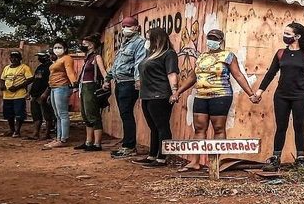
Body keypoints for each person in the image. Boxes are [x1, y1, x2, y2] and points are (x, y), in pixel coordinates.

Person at [252, 23, 304, 172]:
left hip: (301, 96)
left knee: (299, 126)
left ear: (297, 37)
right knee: (281, 127)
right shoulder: (280, 53)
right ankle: (275, 158)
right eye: (285, 33)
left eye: (288, 34)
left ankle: (300, 159)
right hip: (281, 95)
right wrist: (259, 92)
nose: (285, 36)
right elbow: (271, 74)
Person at [172, 29, 256, 172]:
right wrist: (178, 92)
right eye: (210, 38)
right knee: (199, 128)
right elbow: (193, 77)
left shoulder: (228, 56)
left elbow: (238, 75)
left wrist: (250, 93)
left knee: (218, 129)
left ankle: (214, 163)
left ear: (221, 41)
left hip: (221, 96)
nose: (212, 41)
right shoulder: (202, 57)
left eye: (215, 38)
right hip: (201, 96)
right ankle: (195, 161)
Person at [133, 28, 180, 168]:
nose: (147, 41)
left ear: (157, 39)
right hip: (147, 95)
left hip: (160, 95)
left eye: (149, 38)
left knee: (162, 126)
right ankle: (152, 155)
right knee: (152, 126)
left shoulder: (169, 54)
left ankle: (162, 157)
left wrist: (174, 92)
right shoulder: (150, 55)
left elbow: (172, 74)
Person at [103, 16, 146, 158]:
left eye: (129, 26)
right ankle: (127, 144)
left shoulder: (140, 42)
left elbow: (139, 62)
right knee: (124, 114)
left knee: (127, 114)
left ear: (136, 28)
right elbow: (116, 64)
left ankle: (129, 146)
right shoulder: (125, 43)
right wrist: (108, 78)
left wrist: (137, 80)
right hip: (119, 81)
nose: (126, 29)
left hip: (129, 82)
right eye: (124, 26)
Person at [74, 34, 108, 151]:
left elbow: (103, 71)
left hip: (91, 87)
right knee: (85, 115)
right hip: (83, 87)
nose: (83, 45)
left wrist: (106, 82)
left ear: (92, 45)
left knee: (93, 114)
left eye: (85, 43)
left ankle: (97, 143)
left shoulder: (96, 57)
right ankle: (88, 142)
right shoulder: (87, 58)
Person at [44, 40, 77, 148]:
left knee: (62, 114)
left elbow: (70, 72)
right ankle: (58, 137)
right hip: (54, 88)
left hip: (62, 87)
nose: (57, 49)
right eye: (55, 47)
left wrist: (75, 85)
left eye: (59, 47)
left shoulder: (67, 58)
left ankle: (63, 139)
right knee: (57, 115)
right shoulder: (58, 59)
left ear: (65, 49)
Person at [0, 51, 34, 138]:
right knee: (9, 114)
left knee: (19, 113)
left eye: (16, 57)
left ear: (20, 59)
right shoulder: (6, 68)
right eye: (12, 57)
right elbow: (2, 79)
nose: (14, 59)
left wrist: (18, 87)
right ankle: (12, 130)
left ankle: (17, 131)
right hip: (7, 95)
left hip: (19, 95)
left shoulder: (24, 67)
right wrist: (2, 86)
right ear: (10, 58)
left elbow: (30, 79)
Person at [28, 51, 55, 140]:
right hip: (35, 94)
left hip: (43, 94)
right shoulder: (40, 67)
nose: (39, 58)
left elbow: (51, 82)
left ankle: (47, 133)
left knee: (47, 114)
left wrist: (45, 93)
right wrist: (30, 92)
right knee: (36, 115)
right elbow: (35, 80)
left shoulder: (51, 67)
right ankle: (36, 133)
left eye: (41, 56)